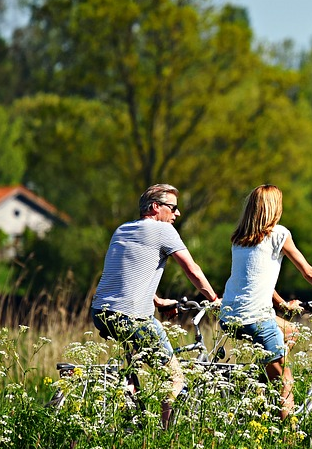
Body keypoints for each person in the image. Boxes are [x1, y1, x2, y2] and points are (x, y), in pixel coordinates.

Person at [219, 184, 312, 419]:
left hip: (229, 314)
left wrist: (281, 304)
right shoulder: (279, 234)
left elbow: (254, 278)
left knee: (291, 331)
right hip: (256, 317)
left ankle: (261, 389)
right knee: (286, 381)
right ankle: (289, 439)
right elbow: (308, 272)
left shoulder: (239, 239)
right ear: (274, 209)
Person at [91, 183, 219, 428]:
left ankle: (130, 418)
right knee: (174, 378)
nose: (177, 214)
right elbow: (192, 269)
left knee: (131, 370)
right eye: (172, 208)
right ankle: (164, 438)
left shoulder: (122, 229)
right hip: (131, 316)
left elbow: (127, 275)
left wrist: (158, 301)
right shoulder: (162, 230)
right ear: (155, 208)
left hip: (101, 312)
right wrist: (214, 299)